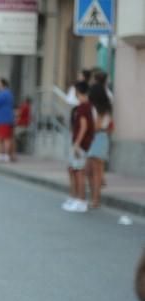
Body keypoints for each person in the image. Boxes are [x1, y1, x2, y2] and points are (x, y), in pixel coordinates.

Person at [62, 81, 94, 213]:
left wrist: (77, 144)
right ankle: (77, 199)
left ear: (78, 92)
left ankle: (81, 201)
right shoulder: (87, 106)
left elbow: (84, 127)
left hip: (80, 145)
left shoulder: (83, 108)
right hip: (82, 144)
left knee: (79, 172)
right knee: (74, 170)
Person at [86, 83, 113, 209]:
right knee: (95, 172)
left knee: (93, 172)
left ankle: (95, 199)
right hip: (102, 138)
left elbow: (96, 126)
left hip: (95, 138)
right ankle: (95, 198)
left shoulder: (96, 109)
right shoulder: (106, 109)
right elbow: (108, 127)